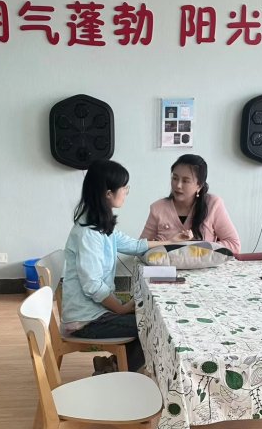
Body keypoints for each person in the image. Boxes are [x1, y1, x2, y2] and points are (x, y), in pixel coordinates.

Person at [62, 159, 183, 374]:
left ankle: (111, 365)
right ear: (108, 193)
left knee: (151, 318)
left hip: (94, 312)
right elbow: (92, 284)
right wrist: (120, 308)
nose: (126, 192)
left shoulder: (98, 223)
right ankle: (113, 372)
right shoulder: (89, 233)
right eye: (124, 187)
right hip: (86, 321)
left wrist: (172, 240)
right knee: (153, 326)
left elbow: (135, 246)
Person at [140, 154, 241, 253]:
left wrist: (198, 248)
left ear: (199, 186)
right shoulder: (158, 208)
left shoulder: (213, 204)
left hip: (204, 264)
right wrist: (163, 244)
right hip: (167, 264)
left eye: (185, 181)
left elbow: (234, 244)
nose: (178, 185)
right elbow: (141, 247)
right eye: (175, 178)